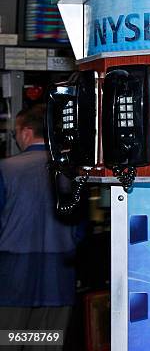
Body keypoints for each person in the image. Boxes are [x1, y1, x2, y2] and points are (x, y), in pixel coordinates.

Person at [0, 104, 77, 347]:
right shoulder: (71, 171)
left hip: (12, 279)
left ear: (25, 132)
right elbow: (80, 227)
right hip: (58, 279)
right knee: (47, 342)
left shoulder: (5, 169)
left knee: (8, 340)